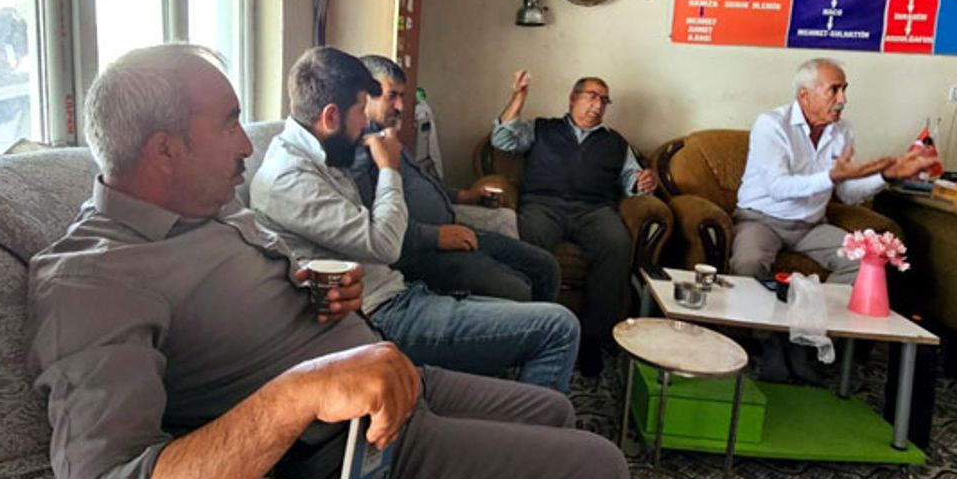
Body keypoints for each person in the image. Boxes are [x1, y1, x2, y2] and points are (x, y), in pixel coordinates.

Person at [26, 45, 633, 479]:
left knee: (553, 409)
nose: (247, 144)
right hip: (346, 441)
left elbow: (251, 296)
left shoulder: (212, 205)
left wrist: (312, 290)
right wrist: (300, 392)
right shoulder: (93, 279)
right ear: (164, 152)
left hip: (387, 369)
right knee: (601, 469)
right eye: (231, 124)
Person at [250, 47, 581, 392]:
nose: (364, 122)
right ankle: (530, 418)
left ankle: (516, 399)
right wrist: (389, 168)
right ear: (331, 116)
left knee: (542, 293)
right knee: (560, 326)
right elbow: (386, 245)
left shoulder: (325, 153)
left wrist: (460, 196)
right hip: (382, 315)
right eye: (361, 110)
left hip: (399, 293)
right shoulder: (290, 179)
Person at [732, 57, 934, 381]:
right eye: (834, 90)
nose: (843, 99)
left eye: (844, 89)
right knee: (748, 262)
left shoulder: (843, 130)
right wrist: (830, 177)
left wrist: (887, 176)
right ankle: (769, 343)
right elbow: (778, 187)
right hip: (762, 219)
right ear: (805, 95)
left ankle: (806, 339)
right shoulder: (771, 125)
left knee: (864, 260)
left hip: (811, 225)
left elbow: (849, 193)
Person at [351, 55, 561, 302]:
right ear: (364, 95)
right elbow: (376, 229)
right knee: (516, 289)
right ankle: (536, 322)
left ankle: (547, 325)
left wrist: (465, 196)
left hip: (449, 232)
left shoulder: (386, 136)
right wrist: (436, 236)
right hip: (420, 252)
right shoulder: (358, 150)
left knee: (546, 266)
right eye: (392, 96)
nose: (400, 106)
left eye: (402, 96)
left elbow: (422, 184)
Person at [491, 70, 657, 377]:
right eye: (592, 96)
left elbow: (631, 180)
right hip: (544, 205)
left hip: (593, 210)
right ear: (573, 98)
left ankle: (592, 337)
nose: (598, 105)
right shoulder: (543, 128)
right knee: (529, 238)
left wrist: (642, 182)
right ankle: (532, 325)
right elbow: (501, 139)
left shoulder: (615, 142)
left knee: (617, 244)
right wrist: (518, 97)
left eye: (604, 100)